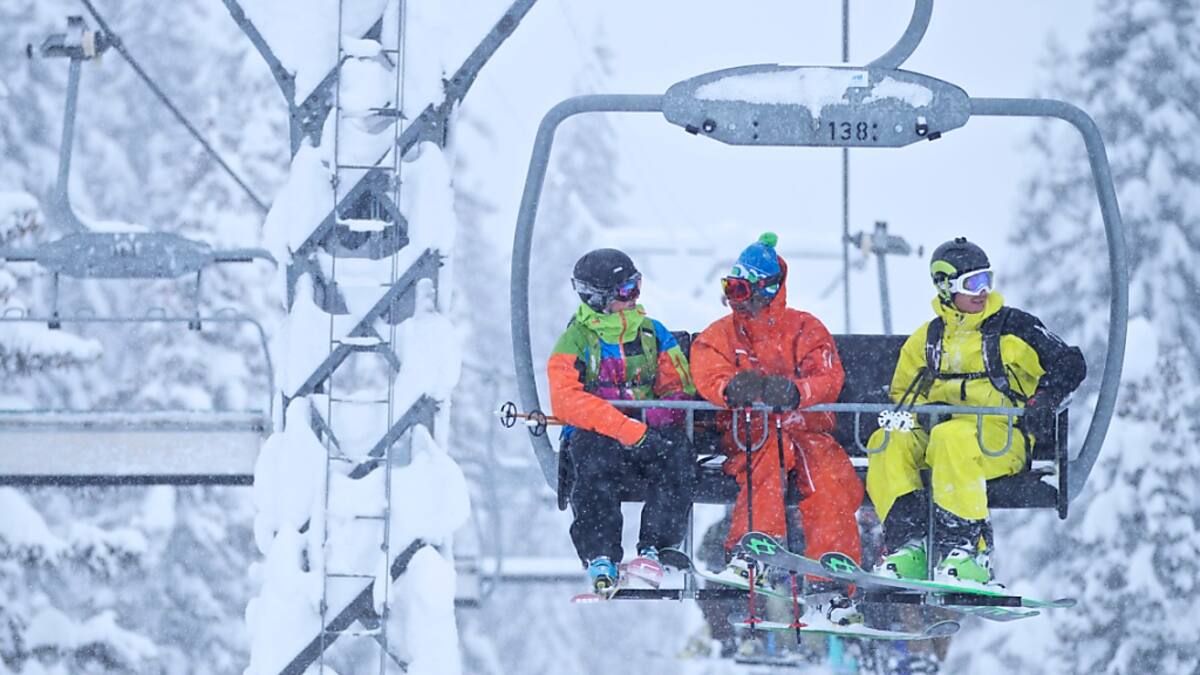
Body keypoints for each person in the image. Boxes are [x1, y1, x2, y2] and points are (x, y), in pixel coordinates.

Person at [866, 237, 1086, 584]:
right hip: (940, 439)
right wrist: (925, 411)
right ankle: (910, 544)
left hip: (1000, 440)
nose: (983, 291)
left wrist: (1045, 397)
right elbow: (902, 394)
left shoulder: (1013, 329)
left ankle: (969, 549)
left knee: (951, 437)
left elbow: (1069, 363)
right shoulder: (929, 340)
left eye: (987, 280)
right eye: (972, 283)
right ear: (945, 287)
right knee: (889, 440)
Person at [690, 233, 864, 621]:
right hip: (750, 433)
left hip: (806, 431)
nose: (734, 299)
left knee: (828, 478)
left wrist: (796, 392)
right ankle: (755, 549)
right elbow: (707, 370)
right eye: (729, 288)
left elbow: (828, 378)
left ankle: (831, 582)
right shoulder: (720, 336)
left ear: (767, 288)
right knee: (766, 453)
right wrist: (731, 388)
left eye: (740, 289)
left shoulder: (804, 329)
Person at [547, 248, 697, 594]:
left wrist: (652, 418)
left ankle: (656, 548)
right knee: (593, 461)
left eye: (636, 287)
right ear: (598, 299)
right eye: (626, 291)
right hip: (600, 437)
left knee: (677, 454)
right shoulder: (576, 341)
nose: (634, 298)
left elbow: (679, 388)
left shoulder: (652, 334)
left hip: (647, 437)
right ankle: (600, 553)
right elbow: (566, 399)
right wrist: (626, 427)